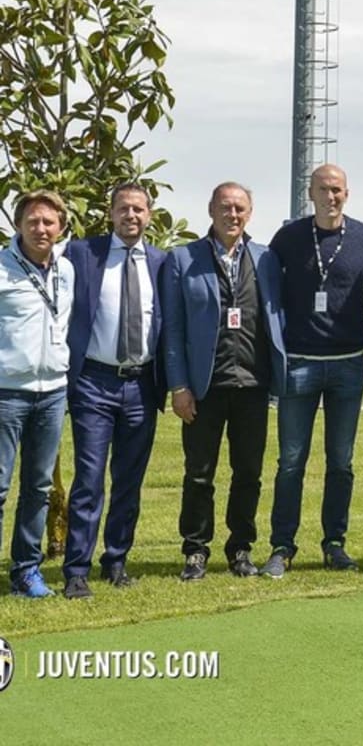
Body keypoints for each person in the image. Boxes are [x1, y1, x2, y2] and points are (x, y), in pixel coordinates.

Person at [162, 182, 286, 581]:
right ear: (211, 210)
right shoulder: (183, 259)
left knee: (248, 472)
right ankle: (196, 549)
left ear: (249, 213)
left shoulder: (266, 258)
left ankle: (240, 548)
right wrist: (179, 386)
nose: (233, 215)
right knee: (199, 473)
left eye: (240, 209)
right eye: (225, 208)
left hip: (252, 385)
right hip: (203, 387)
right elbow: (174, 329)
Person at [261, 164, 363, 577]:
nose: (331, 197)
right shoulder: (289, 237)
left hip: (349, 365)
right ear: (309, 193)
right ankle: (282, 546)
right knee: (291, 460)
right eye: (323, 190)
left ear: (348, 193)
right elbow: (266, 292)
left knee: (341, 461)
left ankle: (335, 543)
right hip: (300, 365)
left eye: (338, 190)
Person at [62, 184, 166, 599]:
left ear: (150, 214)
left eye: (138, 209)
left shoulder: (162, 262)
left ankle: (116, 560)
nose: (131, 216)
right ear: (110, 213)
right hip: (93, 382)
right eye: (123, 209)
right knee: (88, 479)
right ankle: (76, 569)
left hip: (141, 385)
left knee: (129, 480)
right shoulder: (82, 254)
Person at [0, 190, 74, 598]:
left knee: (38, 487)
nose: (40, 228)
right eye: (32, 221)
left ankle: (26, 571)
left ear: (60, 226)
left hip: (52, 394)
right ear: (19, 225)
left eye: (48, 222)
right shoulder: (2, 266)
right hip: (6, 393)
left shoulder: (67, 270)